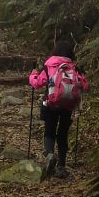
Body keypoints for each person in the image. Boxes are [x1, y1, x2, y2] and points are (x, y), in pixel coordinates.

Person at [29, 38, 88, 179]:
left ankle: (50, 154)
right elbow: (85, 87)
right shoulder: (74, 68)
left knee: (49, 130)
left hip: (51, 104)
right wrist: (83, 76)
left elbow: (37, 83)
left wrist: (32, 74)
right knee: (63, 134)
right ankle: (61, 166)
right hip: (68, 105)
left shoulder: (49, 65)